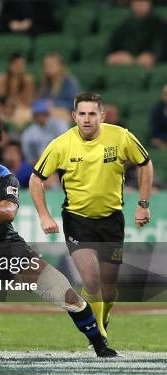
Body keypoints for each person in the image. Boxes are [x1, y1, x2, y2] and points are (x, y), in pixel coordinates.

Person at [0, 116, 118, 357]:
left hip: (8, 250)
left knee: (69, 296)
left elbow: (8, 212)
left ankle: (100, 346)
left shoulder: (3, 176)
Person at [30, 92, 153, 345]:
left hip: (112, 220)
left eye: (92, 114)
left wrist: (143, 205)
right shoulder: (60, 144)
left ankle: (103, 319)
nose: (86, 119)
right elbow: (36, 179)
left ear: (102, 115)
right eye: (82, 114)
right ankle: (99, 337)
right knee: (91, 279)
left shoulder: (121, 137)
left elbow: (146, 163)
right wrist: (44, 215)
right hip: (77, 221)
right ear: (74, 116)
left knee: (109, 287)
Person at [106, 0, 165, 70]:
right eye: (136, 3)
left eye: (143, 3)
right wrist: (118, 56)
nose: (139, 6)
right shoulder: (124, 25)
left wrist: (153, 57)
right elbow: (111, 48)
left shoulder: (160, 25)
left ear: (150, 4)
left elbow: (160, 48)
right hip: (126, 61)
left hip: (151, 64)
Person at [0, 53, 34, 131]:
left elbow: (28, 103)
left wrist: (13, 105)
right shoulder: (0, 79)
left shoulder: (28, 80)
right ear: (10, 65)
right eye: (17, 64)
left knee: (27, 114)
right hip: (1, 108)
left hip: (19, 109)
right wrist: (4, 107)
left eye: (22, 64)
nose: (20, 67)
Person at [20, 99, 69, 165]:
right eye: (38, 115)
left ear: (47, 114)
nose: (40, 117)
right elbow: (26, 149)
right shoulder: (30, 131)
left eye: (43, 114)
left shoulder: (59, 125)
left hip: (59, 161)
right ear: (34, 116)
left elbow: (66, 143)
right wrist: (32, 160)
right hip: (38, 164)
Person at [37, 53, 79, 122]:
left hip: (65, 113)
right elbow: (39, 100)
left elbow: (74, 104)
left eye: (51, 65)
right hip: (46, 112)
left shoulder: (69, 82)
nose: (47, 68)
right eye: (45, 66)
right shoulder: (44, 83)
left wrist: (54, 104)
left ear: (60, 67)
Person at [150, 83, 167, 149]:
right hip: (161, 138)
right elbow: (155, 128)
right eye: (165, 94)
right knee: (155, 141)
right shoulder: (157, 109)